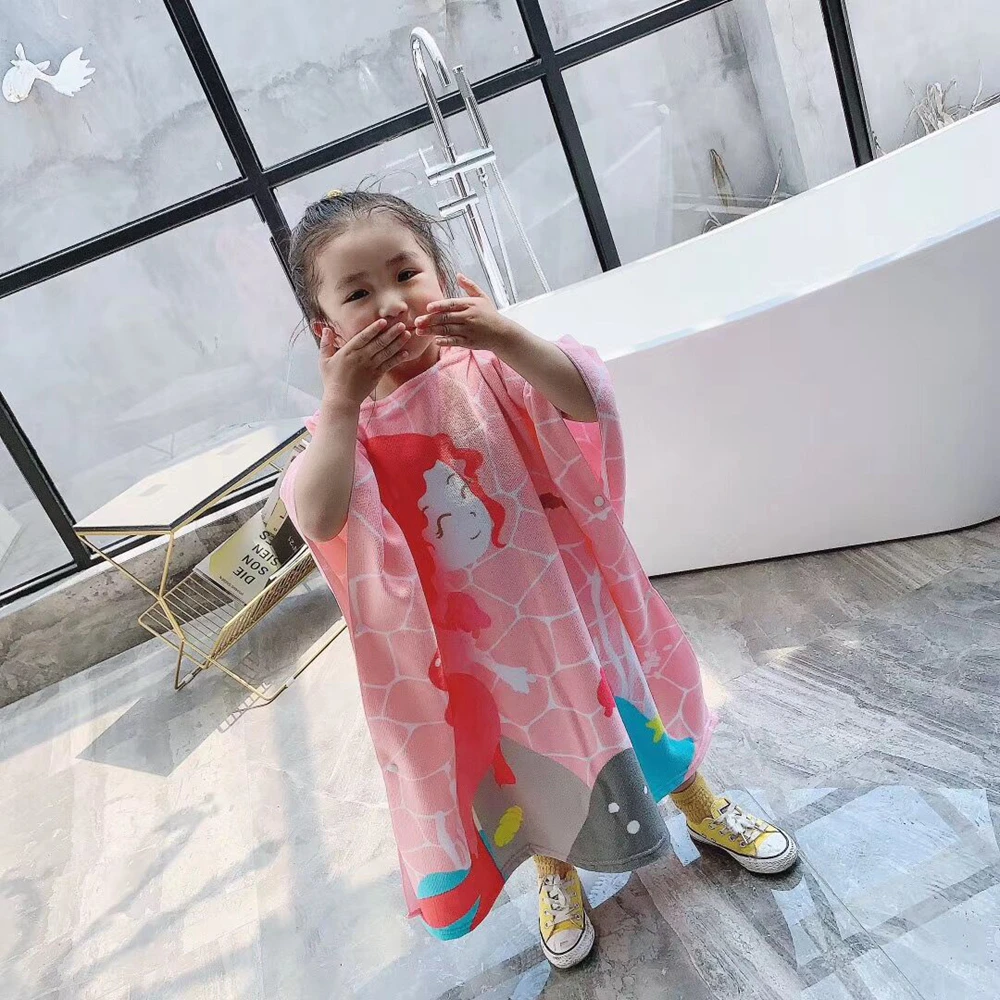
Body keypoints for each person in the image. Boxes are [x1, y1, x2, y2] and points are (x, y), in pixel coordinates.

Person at [280, 189, 797, 969]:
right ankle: (557, 869)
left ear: (441, 276)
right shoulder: (344, 431)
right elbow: (319, 515)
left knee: (637, 710)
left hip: (572, 606)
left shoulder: (492, 369)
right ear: (328, 331)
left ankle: (701, 803)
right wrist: (343, 404)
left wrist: (506, 335)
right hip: (480, 653)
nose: (390, 303)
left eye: (406, 273)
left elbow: (586, 397)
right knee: (529, 761)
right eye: (358, 294)